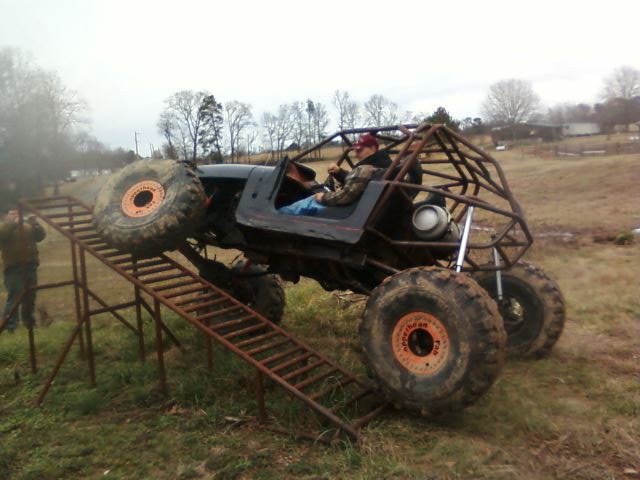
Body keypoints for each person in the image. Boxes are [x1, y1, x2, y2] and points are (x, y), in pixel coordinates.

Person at [279, 134, 391, 216]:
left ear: (372, 148)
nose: (356, 154)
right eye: (356, 151)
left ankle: (276, 217)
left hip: (349, 210)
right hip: (360, 207)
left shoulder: (366, 168)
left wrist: (323, 197)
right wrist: (339, 172)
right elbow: (357, 183)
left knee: (292, 208)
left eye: (360, 150)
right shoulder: (384, 166)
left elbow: (345, 196)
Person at [0, 209, 46, 332]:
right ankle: (10, 326)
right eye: (12, 213)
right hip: (14, 267)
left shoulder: (27, 226)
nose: (16, 215)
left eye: (18, 213)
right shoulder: (3, 227)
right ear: (6, 216)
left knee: (30, 296)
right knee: (15, 297)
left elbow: (40, 236)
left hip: (30, 265)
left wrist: (35, 223)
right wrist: (13, 223)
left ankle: (30, 323)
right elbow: (2, 235)